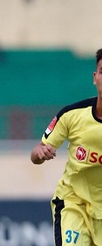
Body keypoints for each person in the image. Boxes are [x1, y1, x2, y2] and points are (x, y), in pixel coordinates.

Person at [30, 48, 102, 246]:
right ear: (95, 78)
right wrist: (41, 153)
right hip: (73, 203)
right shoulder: (71, 114)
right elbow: (36, 153)